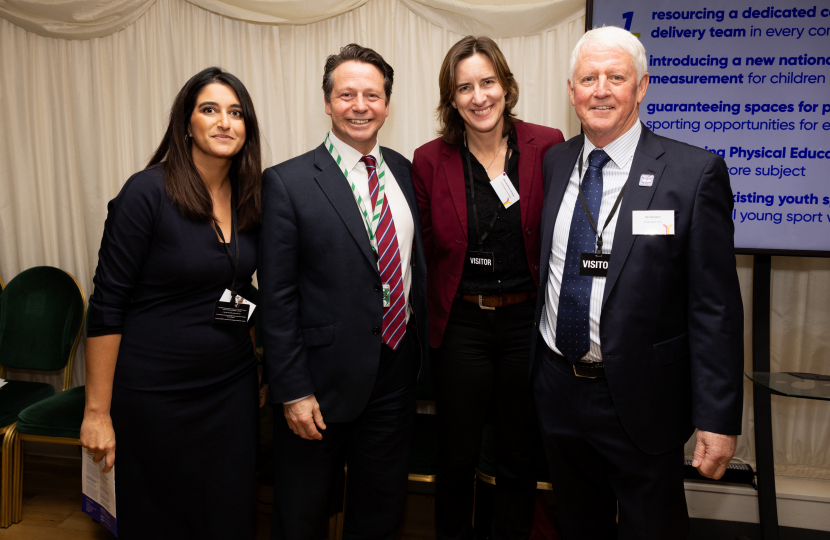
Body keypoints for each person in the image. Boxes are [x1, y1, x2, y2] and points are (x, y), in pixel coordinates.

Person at [531, 26, 744, 539]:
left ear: (642, 86)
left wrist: (718, 418)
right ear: (571, 89)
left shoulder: (694, 174)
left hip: (643, 398)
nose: (600, 89)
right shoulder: (555, 162)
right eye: (588, 78)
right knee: (580, 526)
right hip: (559, 390)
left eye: (615, 77)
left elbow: (714, 307)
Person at [80, 67, 264, 539]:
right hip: (155, 394)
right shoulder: (146, 193)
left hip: (231, 390)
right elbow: (107, 305)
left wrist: (262, 363)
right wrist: (97, 412)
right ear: (186, 123)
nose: (225, 122)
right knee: (161, 518)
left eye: (236, 112)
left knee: (229, 512)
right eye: (210, 110)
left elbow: (239, 289)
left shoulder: (250, 197)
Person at [259, 44, 428, 540]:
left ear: (388, 104)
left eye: (371, 95)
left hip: (395, 371)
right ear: (328, 103)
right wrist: (291, 389)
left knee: (380, 509)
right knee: (302, 512)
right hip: (319, 383)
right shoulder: (287, 182)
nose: (360, 105)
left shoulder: (402, 170)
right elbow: (277, 297)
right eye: (347, 94)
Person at [411, 36, 564, 540]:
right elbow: (427, 249)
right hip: (463, 324)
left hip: (526, 323)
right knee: (456, 456)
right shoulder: (430, 159)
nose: (479, 97)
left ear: (506, 86)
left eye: (487, 83)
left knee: (520, 455)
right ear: (451, 99)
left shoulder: (548, 144)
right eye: (465, 87)